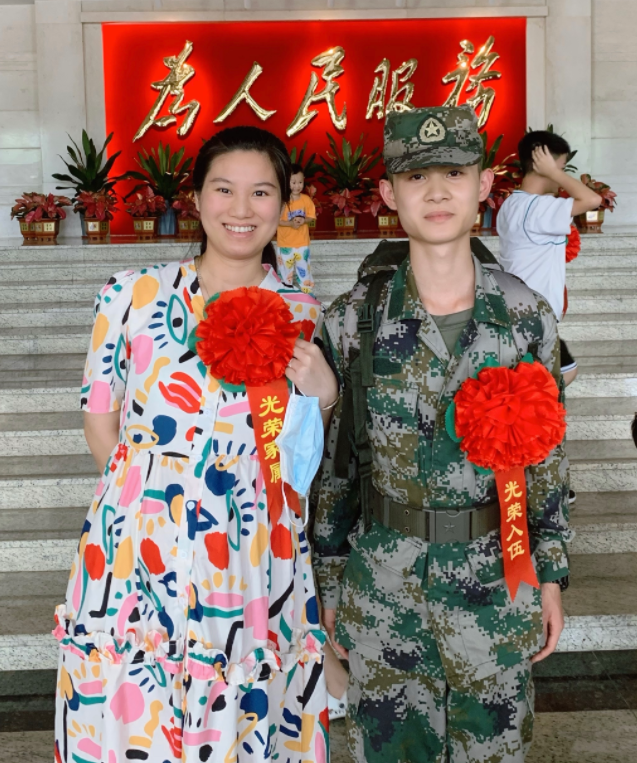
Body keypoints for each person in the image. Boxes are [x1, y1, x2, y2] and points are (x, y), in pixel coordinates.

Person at [53, 126, 337, 763]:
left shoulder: (302, 312)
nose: (242, 209)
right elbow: (99, 420)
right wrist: (150, 508)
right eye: (225, 189)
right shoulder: (130, 295)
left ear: (284, 202)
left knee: (244, 687)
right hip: (139, 537)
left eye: (261, 192)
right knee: (137, 694)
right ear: (197, 197)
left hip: (255, 540)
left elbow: (299, 455)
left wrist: (323, 395)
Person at [312, 105, 572, 762]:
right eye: (415, 176)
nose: (436, 192)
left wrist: (549, 574)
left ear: (484, 185)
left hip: (496, 587)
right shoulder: (352, 321)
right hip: (384, 593)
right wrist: (329, 580)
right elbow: (335, 468)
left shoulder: (524, 317)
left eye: (454, 173)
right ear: (387, 193)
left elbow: (546, 459)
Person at [497, 131, 602, 387]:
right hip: (533, 316)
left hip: (519, 311)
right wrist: (553, 172)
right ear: (540, 164)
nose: (561, 175)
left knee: (558, 373)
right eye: (561, 167)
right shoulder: (538, 208)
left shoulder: (512, 204)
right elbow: (592, 200)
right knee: (556, 377)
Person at [276, 163, 316, 293]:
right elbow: (277, 221)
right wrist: (290, 224)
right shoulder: (282, 201)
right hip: (285, 244)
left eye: (300, 182)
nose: (297, 186)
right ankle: (285, 297)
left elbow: (311, 217)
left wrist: (304, 220)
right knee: (284, 274)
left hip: (302, 244)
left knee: (304, 273)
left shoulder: (306, 200)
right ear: (286, 182)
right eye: (293, 182)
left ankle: (308, 297)